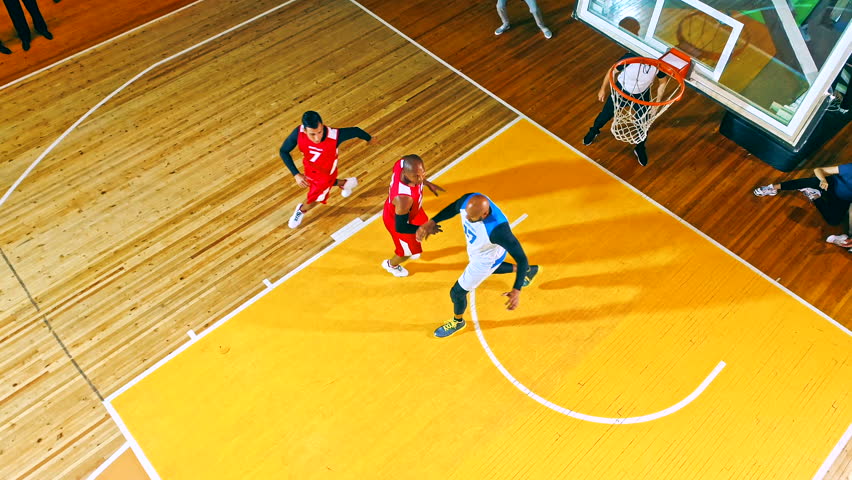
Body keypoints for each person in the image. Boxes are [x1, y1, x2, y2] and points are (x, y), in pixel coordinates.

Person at [416, 193, 540, 338]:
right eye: (467, 214)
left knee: (456, 293)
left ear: (485, 214)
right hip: (480, 247)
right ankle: (527, 272)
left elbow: (522, 258)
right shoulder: (470, 201)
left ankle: (458, 321)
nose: (467, 218)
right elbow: (455, 207)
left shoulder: (499, 231)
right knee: (491, 269)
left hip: (486, 258)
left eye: (471, 217)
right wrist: (433, 221)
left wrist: (516, 290)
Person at [581, 17, 668, 167]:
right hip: (621, 90)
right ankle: (594, 131)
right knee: (605, 115)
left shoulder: (657, 65)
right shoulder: (630, 57)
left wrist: (657, 103)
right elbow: (612, 71)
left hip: (641, 95)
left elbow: (663, 82)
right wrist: (603, 88)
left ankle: (640, 147)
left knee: (644, 124)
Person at [279, 111, 374, 229]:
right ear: (304, 131)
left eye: (319, 132)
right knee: (319, 185)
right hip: (309, 168)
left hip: (326, 173)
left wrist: (369, 139)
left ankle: (301, 210)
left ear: (323, 126)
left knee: (315, 196)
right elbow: (283, 151)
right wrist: (296, 174)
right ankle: (345, 183)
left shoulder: (335, 135)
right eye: (312, 134)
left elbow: (356, 131)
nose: (317, 137)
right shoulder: (298, 133)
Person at [753, 163, 852, 248]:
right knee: (812, 181)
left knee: (833, 220)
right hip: (830, 184)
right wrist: (823, 180)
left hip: (842, 199)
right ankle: (773, 188)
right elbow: (818, 170)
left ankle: (814, 195)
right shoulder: (850, 168)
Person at [381, 154, 445, 277]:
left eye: (423, 173)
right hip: (397, 221)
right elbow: (401, 228)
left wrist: (427, 183)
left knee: (422, 225)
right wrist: (426, 228)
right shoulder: (403, 198)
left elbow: (415, 169)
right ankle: (391, 265)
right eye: (416, 176)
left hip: (412, 212)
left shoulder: (402, 164)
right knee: (406, 252)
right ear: (405, 173)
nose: (420, 179)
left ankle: (413, 244)